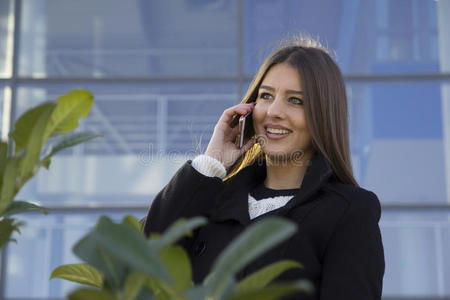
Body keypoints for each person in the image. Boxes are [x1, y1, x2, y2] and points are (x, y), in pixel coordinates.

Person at [143, 36, 385, 300]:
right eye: (266, 96)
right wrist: (212, 161)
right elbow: (147, 255)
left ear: (323, 115)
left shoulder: (349, 210)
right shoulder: (211, 198)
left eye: (295, 101)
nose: (274, 111)